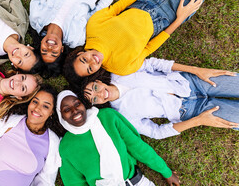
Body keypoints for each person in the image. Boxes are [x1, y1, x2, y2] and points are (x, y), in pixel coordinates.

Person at [64, 0, 239, 88]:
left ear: (79, 54)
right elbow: (149, 47)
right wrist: (180, 18)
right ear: (94, 74)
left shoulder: (92, 29)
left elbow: (118, 6)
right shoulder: (120, 67)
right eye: (90, 68)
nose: (92, 61)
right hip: (173, 13)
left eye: (84, 60)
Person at [79, 57, 239, 139]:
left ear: (98, 81)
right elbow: (156, 132)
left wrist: (197, 70)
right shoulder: (122, 115)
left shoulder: (119, 72)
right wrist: (199, 121)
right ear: (97, 105)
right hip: (192, 111)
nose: (100, 94)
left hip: (191, 82)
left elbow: (153, 64)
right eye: (94, 99)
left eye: (94, 88)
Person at [57, 90, 180, 186]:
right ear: (60, 116)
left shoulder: (107, 117)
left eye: (77, 104)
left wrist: (166, 172)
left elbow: (138, 147)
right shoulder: (66, 146)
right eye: (66, 110)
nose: (74, 110)